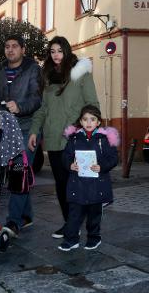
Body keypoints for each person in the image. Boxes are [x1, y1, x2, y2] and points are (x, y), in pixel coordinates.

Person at [28, 36, 99, 239]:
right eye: (52, 51)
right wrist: (34, 130)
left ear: (66, 51)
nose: (56, 55)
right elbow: (42, 108)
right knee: (61, 182)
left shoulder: (81, 73)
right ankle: (70, 223)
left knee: (80, 181)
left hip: (76, 137)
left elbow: (92, 103)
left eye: (59, 50)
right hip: (53, 137)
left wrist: (86, 129)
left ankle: (87, 224)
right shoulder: (48, 76)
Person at [0, 34, 41, 238]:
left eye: (15, 46)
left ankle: (13, 221)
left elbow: (37, 98)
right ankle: (26, 215)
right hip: (5, 128)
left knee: (19, 172)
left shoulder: (32, 69)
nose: (10, 50)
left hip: (26, 128)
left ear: (23, 49)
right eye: (7, 46)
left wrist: (20, 107)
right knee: (17, 173)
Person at [58, 105, 118, 251]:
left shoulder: (103, 139)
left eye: (92, 119)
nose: (89, 122)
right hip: (77, 184)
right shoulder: (74, 138)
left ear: (98, 122)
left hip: (96, 185)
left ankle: (94, 238)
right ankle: (71, 240)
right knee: (74, 214)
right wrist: (70, 165)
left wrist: (102, 166)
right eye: (85, 119)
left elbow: (113, 158)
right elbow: (65, 156)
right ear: (81, 121)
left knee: (94, 214)